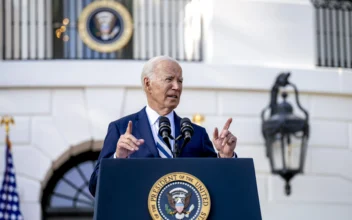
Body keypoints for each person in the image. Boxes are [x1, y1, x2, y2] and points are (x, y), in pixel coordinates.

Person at [89, 56, 237, 197]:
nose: (177, 87)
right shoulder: (120, 129)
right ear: (148, 84)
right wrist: (118, 158)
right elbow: (96, 187)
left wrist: (225, 157)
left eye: (180, 81)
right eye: (169, 79)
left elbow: (218, 184)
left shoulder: (196, 134)